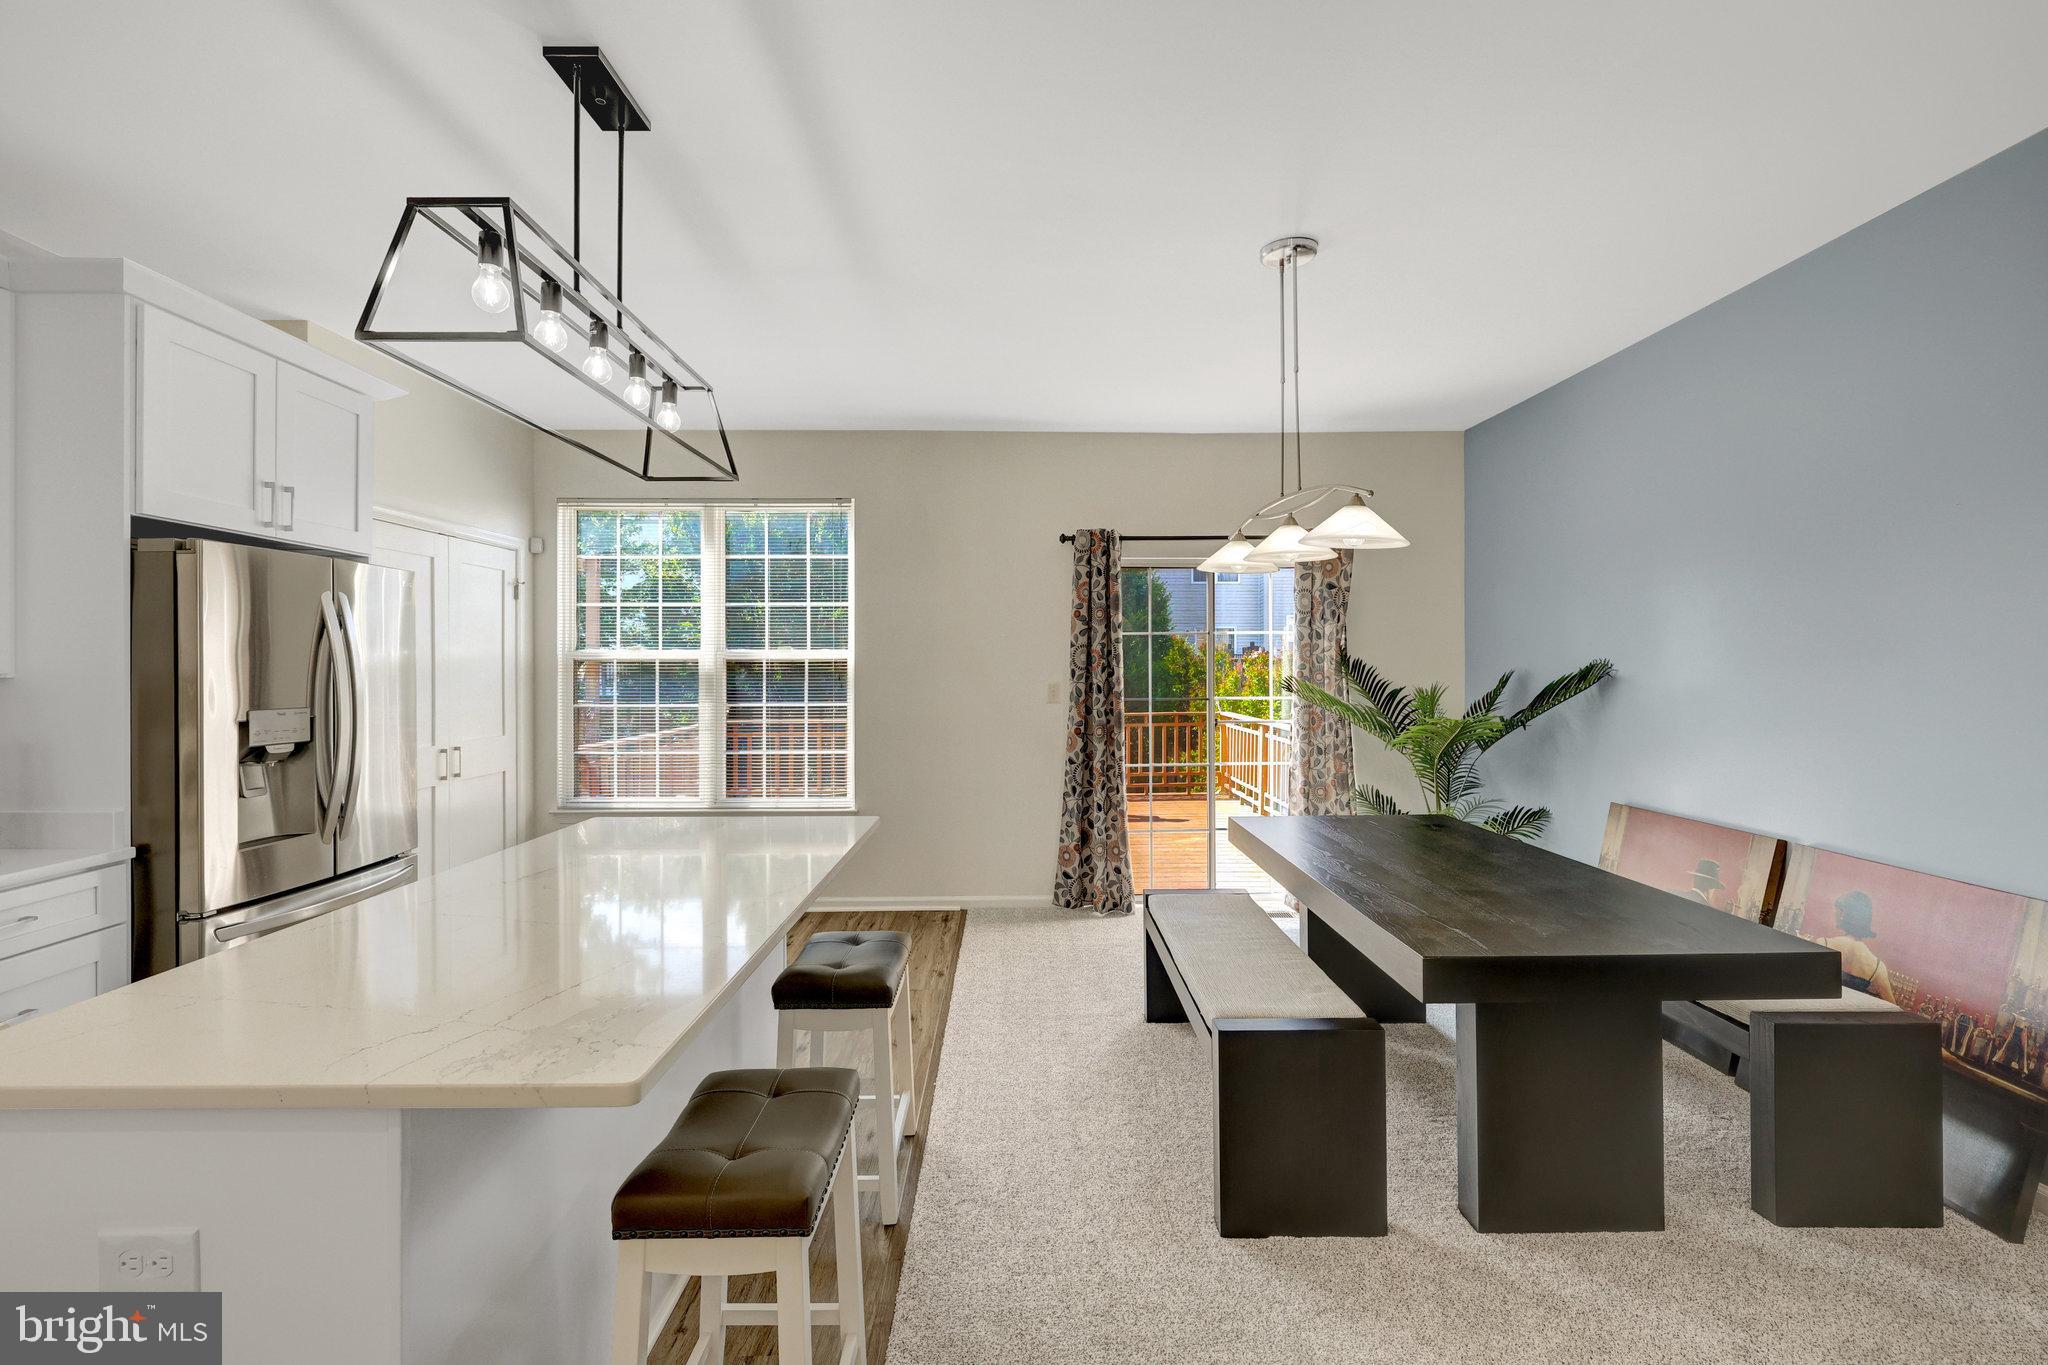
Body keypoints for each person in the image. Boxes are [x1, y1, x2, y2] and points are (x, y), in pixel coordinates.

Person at [1819, 889, 1896, 1002]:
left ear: (1844, 913)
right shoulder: (1878, 966)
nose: (1835, 913)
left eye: (1837, 910)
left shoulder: (1824, 944)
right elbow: (1893, 1007)